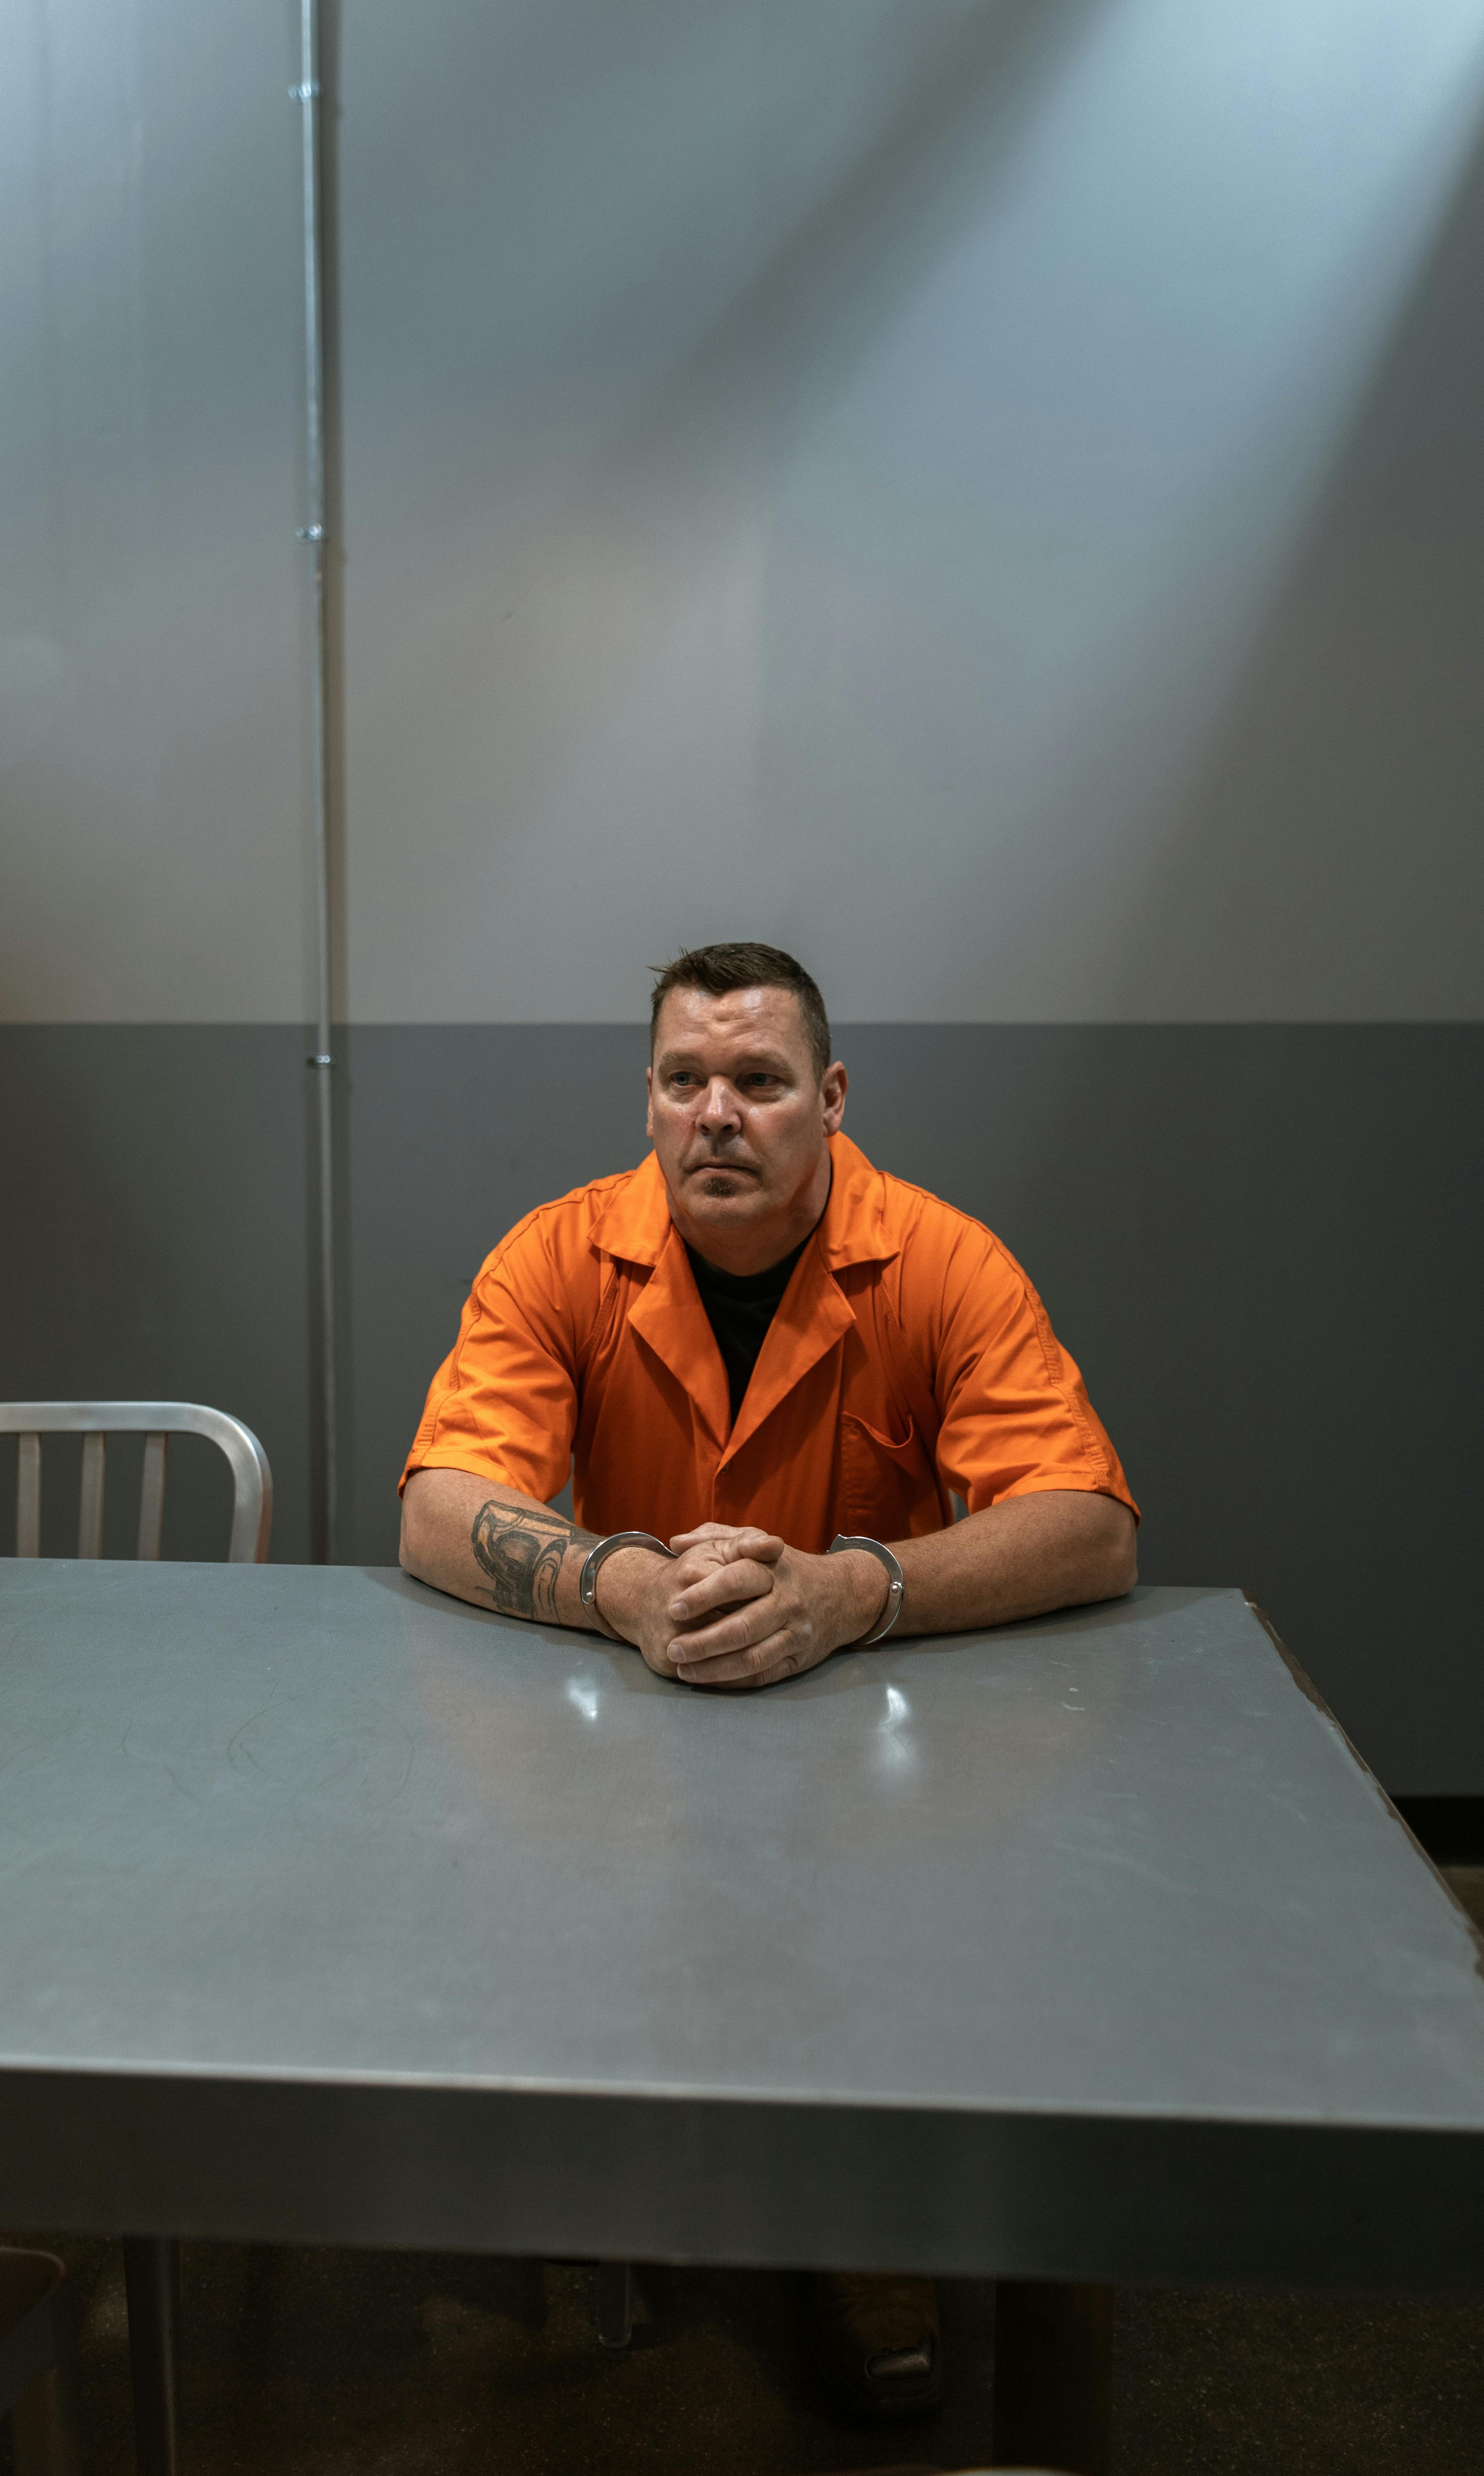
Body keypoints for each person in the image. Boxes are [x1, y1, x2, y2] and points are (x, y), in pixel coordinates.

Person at [399, 939, 1138, 2418]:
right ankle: (638, 2189)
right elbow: (436, 1503)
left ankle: (879, 2247)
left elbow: (1090, 1523)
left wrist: (854, 1590)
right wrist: (620, 1587)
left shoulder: (940, 1259)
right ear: (650, 1097)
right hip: (628, 1741)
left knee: (906, 1965)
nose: (716, 1113)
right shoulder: (557, 1253)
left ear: (832, 1096)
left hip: (875, 1758)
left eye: (757, 1079)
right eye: (684, 1080)